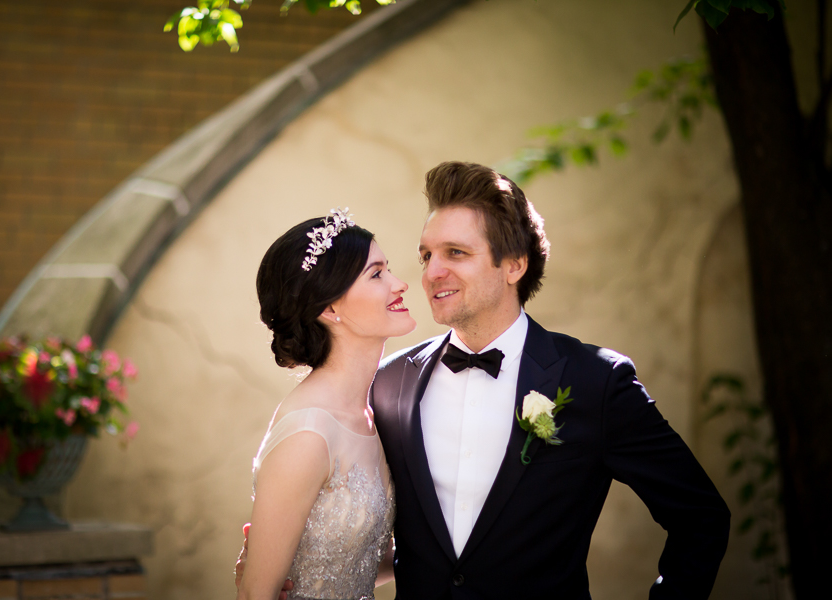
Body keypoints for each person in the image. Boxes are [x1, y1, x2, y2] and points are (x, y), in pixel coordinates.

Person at [240, 162, 730, 600]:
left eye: (455, 253)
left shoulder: (595, 382)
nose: (431, 273)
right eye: (426, 255)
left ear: (514, 264)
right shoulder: (389, 386)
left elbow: (701, 517)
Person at [238, 209, 417, 600]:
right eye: (377, 274)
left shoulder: (372, 413)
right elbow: (255, 594)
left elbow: (356, 564)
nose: (400, 284)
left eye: (388, 269)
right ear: (329, 309)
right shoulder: (308, 432)